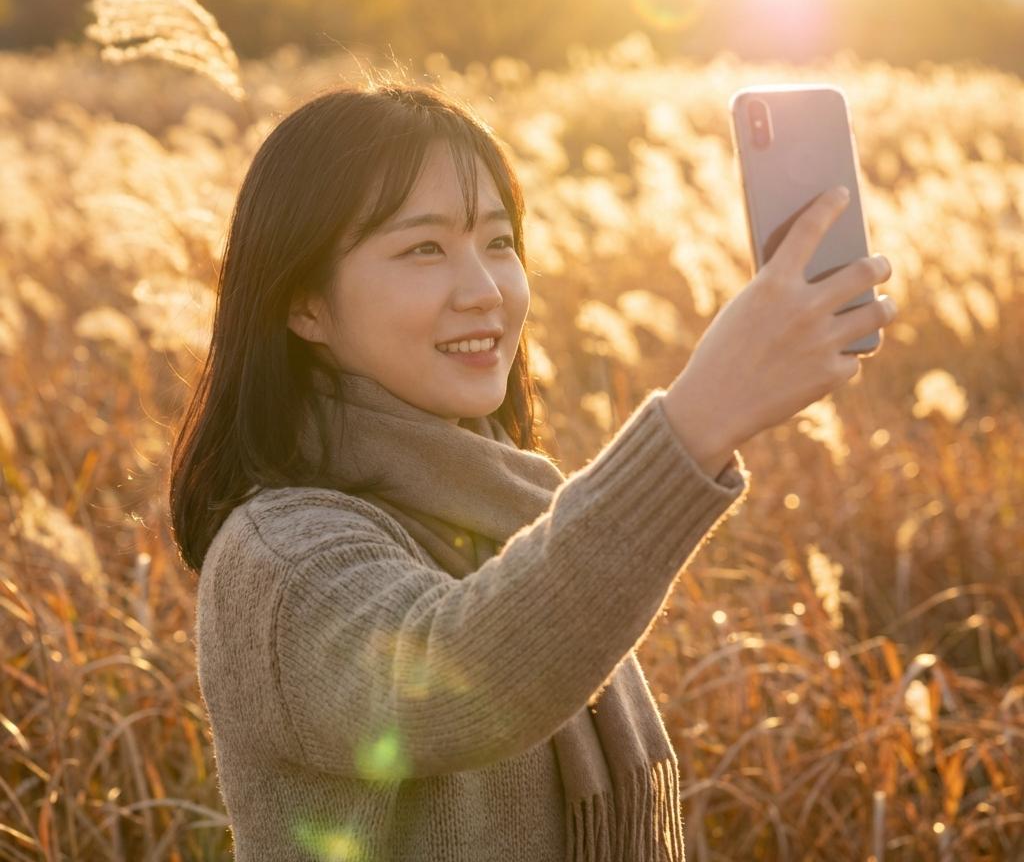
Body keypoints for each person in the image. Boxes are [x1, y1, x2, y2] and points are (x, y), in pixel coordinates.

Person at [170, 81, 897, 861]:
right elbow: (453, 681)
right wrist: (698, 421)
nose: (485, 292)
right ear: (303, 303)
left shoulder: (504, 507)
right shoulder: (276, 558)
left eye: (498, 242)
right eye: (424, 248)